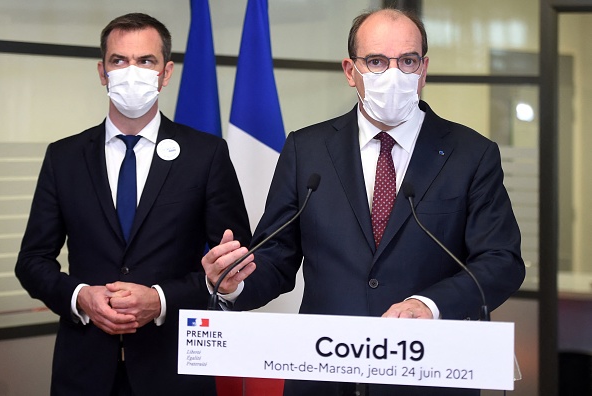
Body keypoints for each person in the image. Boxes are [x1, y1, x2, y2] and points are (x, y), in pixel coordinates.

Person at [203, 7, 525, 396]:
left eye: (406, 61)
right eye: (376, 61)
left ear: (423, 69)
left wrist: (430, 305)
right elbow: (276, 257)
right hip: (323, 375)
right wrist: (234, 283)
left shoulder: (471, 153)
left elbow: (500, 262)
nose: (393, 75)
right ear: (349, 69)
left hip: (428, 377)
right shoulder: (307, 149)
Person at [15, 13, 251, 396]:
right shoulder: (64, 157)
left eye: (146, 61)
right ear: (102, 71)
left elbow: (234, 266)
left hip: (174, 370)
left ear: (167, 72)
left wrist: (160, 299)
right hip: (83, 371)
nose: (131, 71)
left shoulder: (205, 155)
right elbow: (32, 261)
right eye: (119, 61)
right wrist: (80, 297)